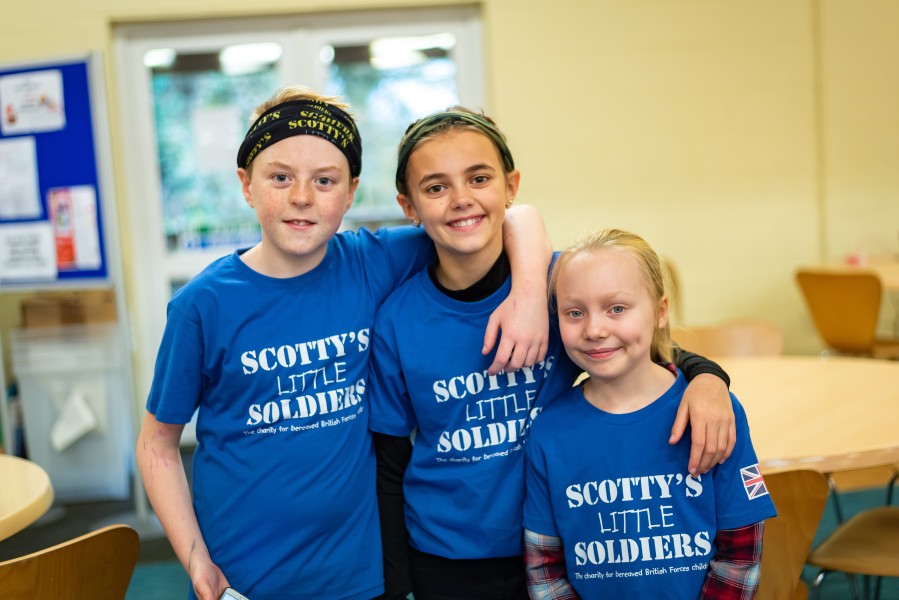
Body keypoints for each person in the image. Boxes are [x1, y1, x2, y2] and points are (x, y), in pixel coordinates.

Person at [135, 86, 553, 600]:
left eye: (325, 180)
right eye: (280, 177)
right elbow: (157, 445)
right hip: (243, 574)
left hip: (357, 575)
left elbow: (511, 216)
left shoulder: (372, 262)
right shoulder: (203, 305)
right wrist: (194, 555)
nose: (302, 197)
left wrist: (530, 296)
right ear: (246, 185)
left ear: (351, 191)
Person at [369, 108, 738, 600]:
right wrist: (396, 587)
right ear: (408, 206)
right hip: (449, 557)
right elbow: (389, 463)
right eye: (436, 187)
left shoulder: (563, 283)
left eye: (479, 178)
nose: (461, 199)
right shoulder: (397, 321)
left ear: (511, 185)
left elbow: (644, 348)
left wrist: (708, 378)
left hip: (566, 543)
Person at [523, 229, 777, 599]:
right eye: (574, 313)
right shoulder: (548, 433)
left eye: (617, 309)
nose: (594, 329)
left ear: (660, 312)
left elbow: (740, 555)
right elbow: (545, 569)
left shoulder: (714, 412)